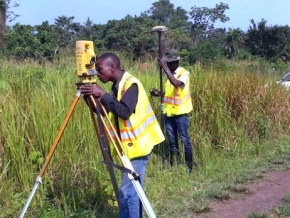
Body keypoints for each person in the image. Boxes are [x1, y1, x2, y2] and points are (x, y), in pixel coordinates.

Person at [80, 52, 165, 218]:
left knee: (129, 193)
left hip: (138, 147)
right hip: (126, 149)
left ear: (113, 67)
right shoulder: (117, 86)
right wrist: (88, 96)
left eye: (99, 69)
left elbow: (124, 111)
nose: (97, 73)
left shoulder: (131, 84)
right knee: (128, 192)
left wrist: (102, 94)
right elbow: (103, 112)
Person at [157, 50, 194, 173]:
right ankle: (176, 165)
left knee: (184, 139)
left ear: (177, 62)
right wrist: (159, 94)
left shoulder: (184, 73)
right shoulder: (170, 75)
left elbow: (177, 84)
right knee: (172, 141)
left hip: (181, 114)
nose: (170, 65)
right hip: (169, 114)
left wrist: (164, 68)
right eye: (168, 63)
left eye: (171, 63)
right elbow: (169, 95)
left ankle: (189, 167)